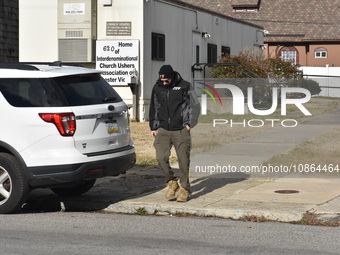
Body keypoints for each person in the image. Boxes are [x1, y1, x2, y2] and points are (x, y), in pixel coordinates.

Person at [149, 65, 200, 202]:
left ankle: (184, 189)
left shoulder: (185, 86)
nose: (164, 83)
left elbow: (195, 105)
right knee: (160, 157)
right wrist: (153, 127)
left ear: (172, 77)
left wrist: (190, 124)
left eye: (167, 80)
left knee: (183, 161)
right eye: (162, 80)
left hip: (181, 130)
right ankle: (172, 182)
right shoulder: (157, 87)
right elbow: (154, 107)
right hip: (163, 129)